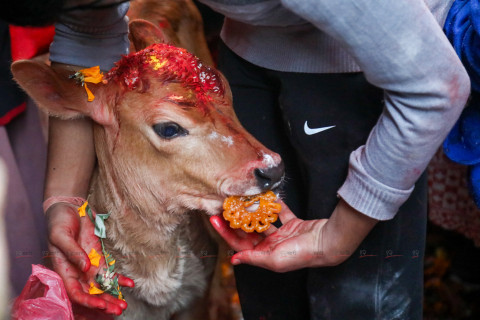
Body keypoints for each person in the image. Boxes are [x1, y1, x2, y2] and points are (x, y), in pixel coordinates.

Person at [3, 0, 471, 318]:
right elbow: (88, 27)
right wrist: (62, 199)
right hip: (248, 53)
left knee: (357, 295)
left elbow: (434, 86)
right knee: (267, 285)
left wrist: (339, 236)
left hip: (371, 68)